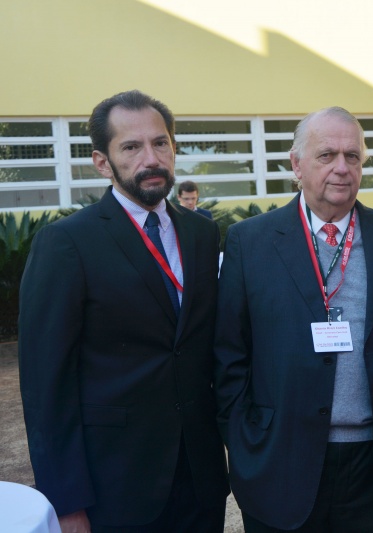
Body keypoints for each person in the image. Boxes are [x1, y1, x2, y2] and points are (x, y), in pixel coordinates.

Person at [214, 106, 373, 532]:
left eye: (352, 156)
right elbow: (230, 352)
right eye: (327, 155)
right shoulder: (252, 241)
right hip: (280, 456)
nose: (342, 168)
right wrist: (244, 443)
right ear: (296, 165)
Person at [18, 90, 229, 533]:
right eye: (131, 147)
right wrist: (67, 502)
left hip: (200, 479)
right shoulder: (67, 243)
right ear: (102, 161)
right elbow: (45, 386)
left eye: (160, 143)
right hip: (115, 486)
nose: (150, 158)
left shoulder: (202, 234)